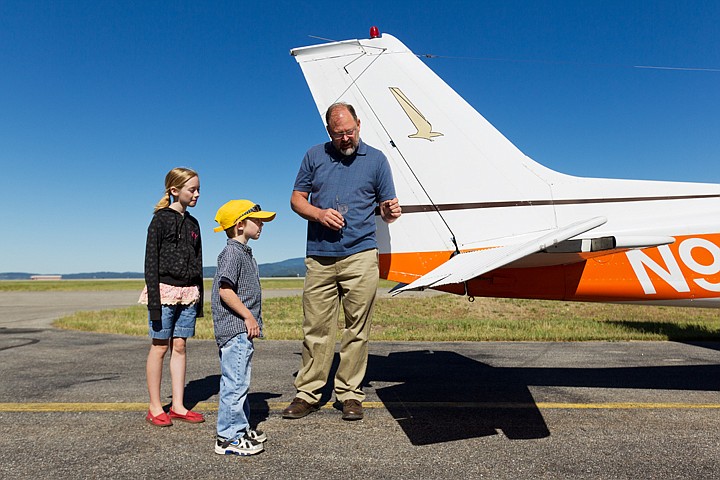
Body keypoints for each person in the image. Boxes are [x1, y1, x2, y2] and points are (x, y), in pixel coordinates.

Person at [284, 102, 402, 421]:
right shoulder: (314, 156)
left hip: (361, 255)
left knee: (356, 329)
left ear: (359, 125)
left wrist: (389, 213)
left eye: (350, 131)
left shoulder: (377, 160)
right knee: (316, 328)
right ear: (328, 132)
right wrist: (318, 214)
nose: (346, 138)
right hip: (320, 257)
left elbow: (386, 208)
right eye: (339, 134)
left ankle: (349, 394)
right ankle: (308, 393)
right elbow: (297, 199)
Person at [140, 167, 205, 427]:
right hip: (164, 292)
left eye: (199, 189)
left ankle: (178, 405)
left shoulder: (193, 223)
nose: (197, 194)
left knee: (180, 346)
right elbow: (150, 262)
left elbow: (199, 262)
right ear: (174, 190)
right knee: (159, 347)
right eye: (193, 189)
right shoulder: (160, 220)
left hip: (188, 294)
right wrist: (155, 304)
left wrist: (198, 300)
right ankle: (155, 406)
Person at [211, 199, 276, 456]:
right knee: (235, 383)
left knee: (240, 382)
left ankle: (240, 426)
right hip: (235, 329)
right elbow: (225, 291)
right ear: (240, 225)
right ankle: (228, 437)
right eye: (257, 220)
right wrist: (249, 317)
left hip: (240, 331)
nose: (261, 224)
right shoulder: (231, 253)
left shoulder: (243, 253)